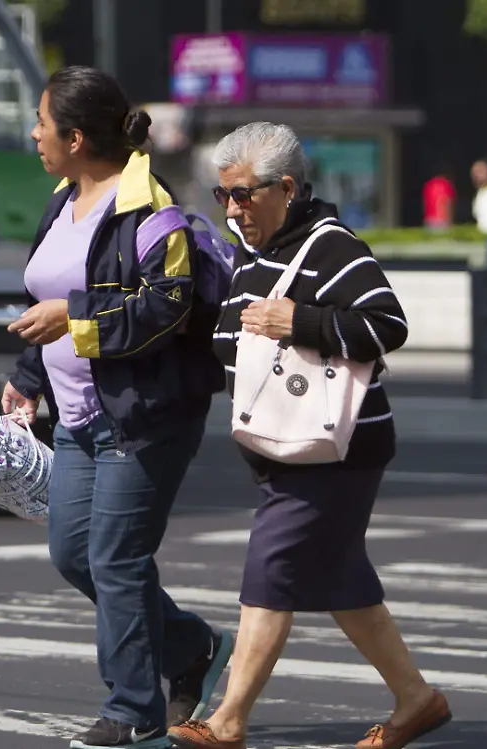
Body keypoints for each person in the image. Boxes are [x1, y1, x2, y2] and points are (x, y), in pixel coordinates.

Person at [167, 123, 452, 749]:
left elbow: (387, 326)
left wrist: (301, 320)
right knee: (340, 580)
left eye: (244, 194)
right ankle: (417, 699)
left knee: (271, 567)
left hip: (335, 447)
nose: (234, 209)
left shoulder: (330, 248)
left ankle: (228, 721)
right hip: (282, 446)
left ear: (286, 188)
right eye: (223, 196)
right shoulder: (254, 251)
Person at [1, 65, 233, 749]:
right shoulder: (62, 198)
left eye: (42, 123)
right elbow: (42, 296)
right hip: (76, 416)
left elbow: (166, 305)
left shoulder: (147, 209)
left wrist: (73, 320)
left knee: (117, 558)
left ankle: (133, 713)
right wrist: (28, 374)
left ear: (75, 136)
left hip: (146, 414)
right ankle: (191, 647)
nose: (34, 133)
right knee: (75, 553)